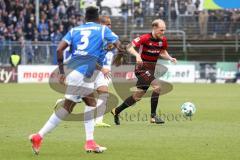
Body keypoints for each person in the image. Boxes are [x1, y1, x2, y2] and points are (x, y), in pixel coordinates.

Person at [29, 6, 123, 155]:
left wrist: (61, 72)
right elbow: (120, 46)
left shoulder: (74, 30)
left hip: (73, 71)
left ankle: (38, 136)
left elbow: (59, 49)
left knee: (68, 107)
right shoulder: (102, 30)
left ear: (85, 18)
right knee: (90, 103)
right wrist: (120, 53)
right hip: (84, 73)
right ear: (98, 18)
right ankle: (89, 142)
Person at [111, 19, 177, 125]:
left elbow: (163, 52)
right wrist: (137, 55)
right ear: (154, 28)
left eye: (164, 30)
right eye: (161, 30)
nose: (163, 32)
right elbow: (129, 47)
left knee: (138, 96)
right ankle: (153, 116)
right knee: (158, 87)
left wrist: (170, 58)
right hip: (141, 68)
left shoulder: (163, 40)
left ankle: (116, 111)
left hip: (150, 70)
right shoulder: (144, 38)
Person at [54, 15, 115, 128]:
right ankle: (62, 103)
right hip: (88, 70)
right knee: (78, 100)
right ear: (101, 25)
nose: (110, 26)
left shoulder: (108, 37)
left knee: (103, 92)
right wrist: (102, 68)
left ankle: (98, 121)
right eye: (108, 24)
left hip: (97, 70)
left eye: (110, 24)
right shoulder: (95, 38)